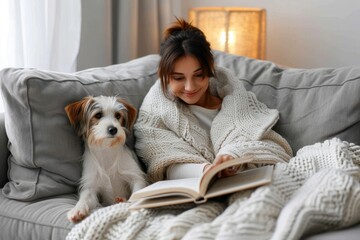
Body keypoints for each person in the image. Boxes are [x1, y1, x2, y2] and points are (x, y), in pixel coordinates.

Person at [134, 18, 293, 183]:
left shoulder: (236, 101)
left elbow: (276, 149)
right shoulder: (155, 113)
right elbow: (163, 161)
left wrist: (234, 156)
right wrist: (206, 170)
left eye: (198, 75)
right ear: (164, 75)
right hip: (198, 186)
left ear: (210, 68)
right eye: (178, 78)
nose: (189, 87)